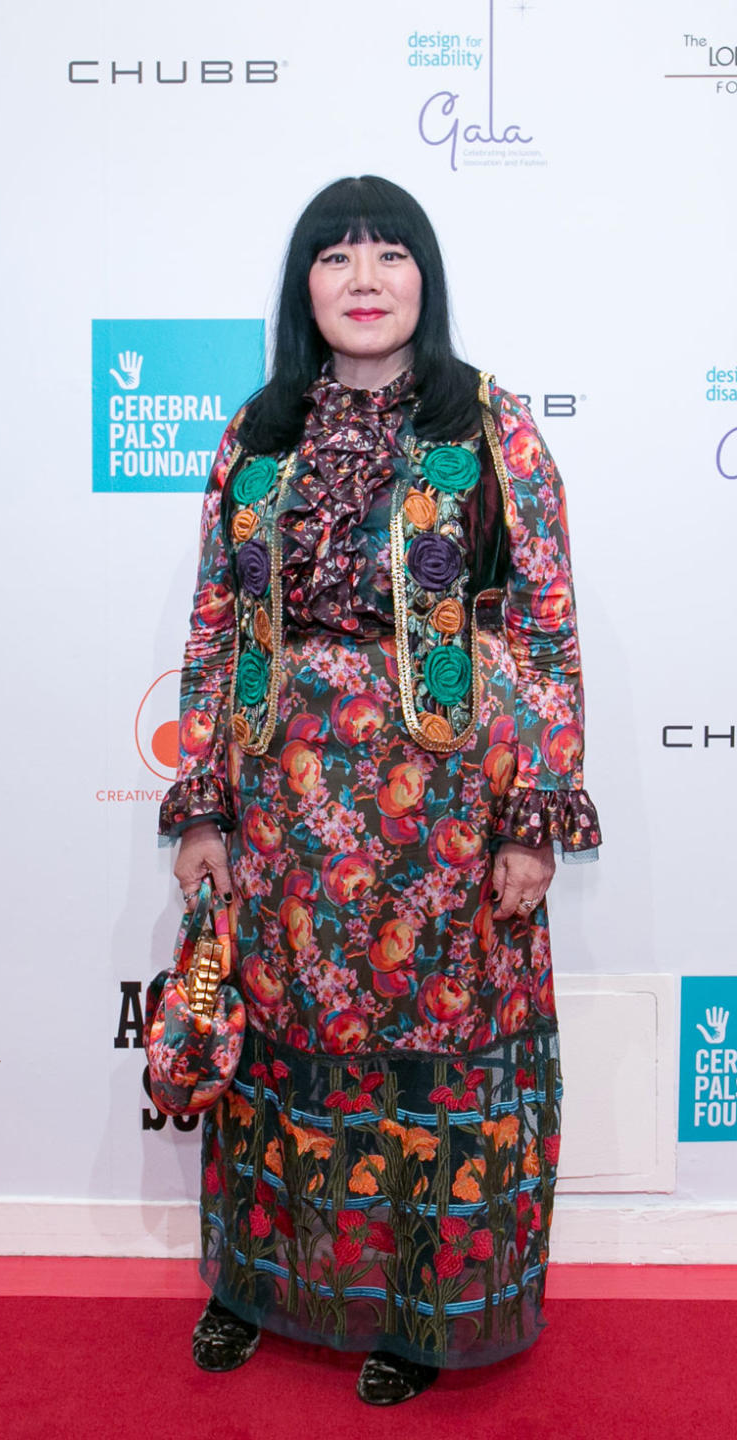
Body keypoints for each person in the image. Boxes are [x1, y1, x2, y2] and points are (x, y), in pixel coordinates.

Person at [158, 174, 600, 1406]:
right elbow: (213, 625)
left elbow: (545, 635)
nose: (364, 278)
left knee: (435, 1070)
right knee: (279, 1056)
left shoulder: (491, 430)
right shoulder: (258, 436)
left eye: (390, 253)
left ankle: (423, 1313)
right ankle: (255, 1286)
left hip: (448, 819)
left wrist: (533, 816)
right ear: (304, 287)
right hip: (287, 811)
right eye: (336, 256)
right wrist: (203, 800)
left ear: (426, 279)